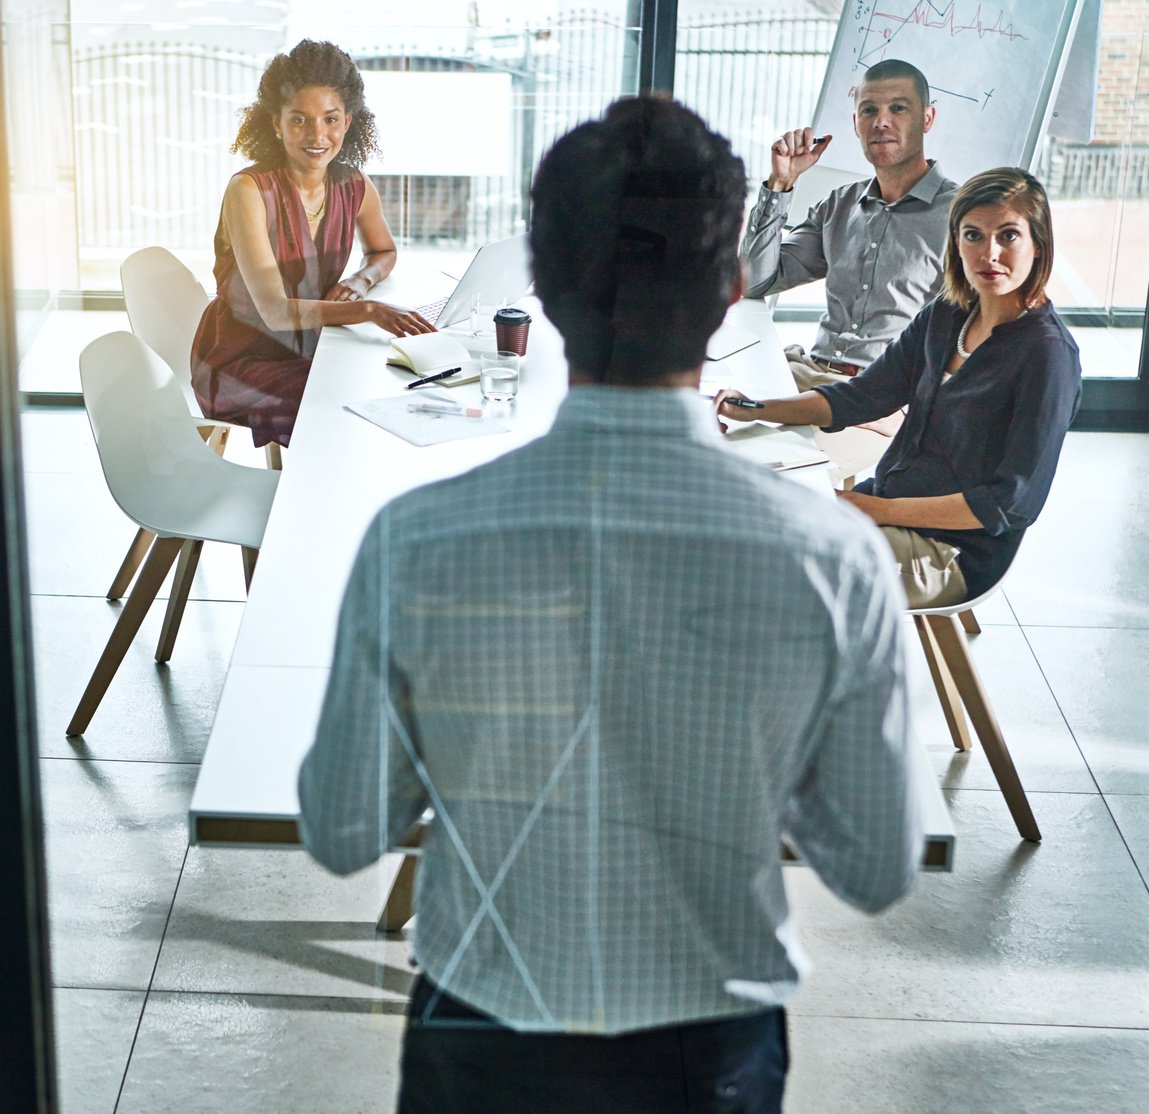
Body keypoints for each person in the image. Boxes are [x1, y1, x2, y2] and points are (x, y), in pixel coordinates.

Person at [298, 95, 922, 1113]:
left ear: (541, 290)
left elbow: (340, 828)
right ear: (729, 290)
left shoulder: (415, 540)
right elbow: (875, 862)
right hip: (709, 1050)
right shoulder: (835, 556)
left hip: (480, 1030)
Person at [717, 168, 1082, 609]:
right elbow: (862, 397)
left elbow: (1010, 504)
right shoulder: (948, 314)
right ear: (956, 241)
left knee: (774, 566)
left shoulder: (1048, 355)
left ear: (1038, 245)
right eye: (973, 235)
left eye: (1008, 236)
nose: (990, 253)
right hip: (886, 506)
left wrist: (877, 511)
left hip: (951, 552)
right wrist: (758, 407)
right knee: (746, 523)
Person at [190, 40, 433, 449]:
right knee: (352, 405)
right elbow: (273, 311)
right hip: (243, 360)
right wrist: (368, 310)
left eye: (330, 119)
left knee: (383, 385)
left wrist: (361, 280)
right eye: (299, 120)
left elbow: (383, 252)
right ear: (275, 123)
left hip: (313, 346)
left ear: (349, 122)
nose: (317, 135)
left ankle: (344, 498)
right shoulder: (248, 190)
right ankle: (318, 504)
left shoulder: (353, 185)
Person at [741, 59, 956, 457]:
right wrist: (781, 184)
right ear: (856, 123)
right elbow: (755, 281)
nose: (881, 122)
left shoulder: (961, 217)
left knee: (762, 458)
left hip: (882, 403)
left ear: (927, 118)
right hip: (808, 376)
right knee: (705, 421)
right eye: (869, 110)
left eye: (899, 109)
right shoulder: (839, 205)